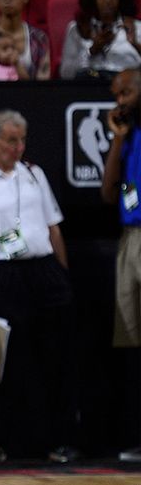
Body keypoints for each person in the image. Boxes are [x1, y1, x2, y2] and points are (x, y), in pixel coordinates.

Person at [0, 109, 76, 463]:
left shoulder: (34, 174)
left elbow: (54, 227)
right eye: (11, 140)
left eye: (22, 139)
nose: (18, 147)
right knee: (10, 361)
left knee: (55, 356)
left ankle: (60, 439)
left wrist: (63, 275)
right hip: (6, 274)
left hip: (44, 272)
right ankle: (6, 439)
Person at [100, 70, 141, 463]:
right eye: (116, 94)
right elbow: (108, 191)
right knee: (132, 338)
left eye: (127, 92)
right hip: (130, 239)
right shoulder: (129, 137)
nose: (120, 100)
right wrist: (117, 138)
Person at [60, 0, 141, 80]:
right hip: (88, 90)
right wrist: (92, 51)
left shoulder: (136, 28)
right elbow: (65, 73)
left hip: (126, 91)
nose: (107, 0)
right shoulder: (77, 29)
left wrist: (136, 46)